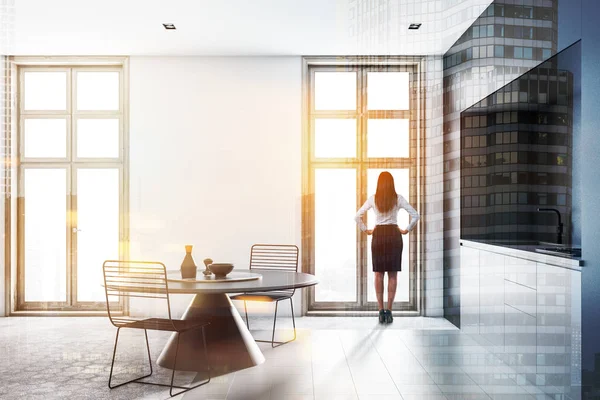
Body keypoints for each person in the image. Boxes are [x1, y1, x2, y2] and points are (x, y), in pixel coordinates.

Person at [354, 171, 419, 323]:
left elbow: (357, 216)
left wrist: (366, 229)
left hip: (379, 236)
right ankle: (389, 311)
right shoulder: (398, 198)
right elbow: (416, 215)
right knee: (392, 274)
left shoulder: (373, 199)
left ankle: (380, 310)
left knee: (378, 274)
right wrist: (407, 229)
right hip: (394, 235)